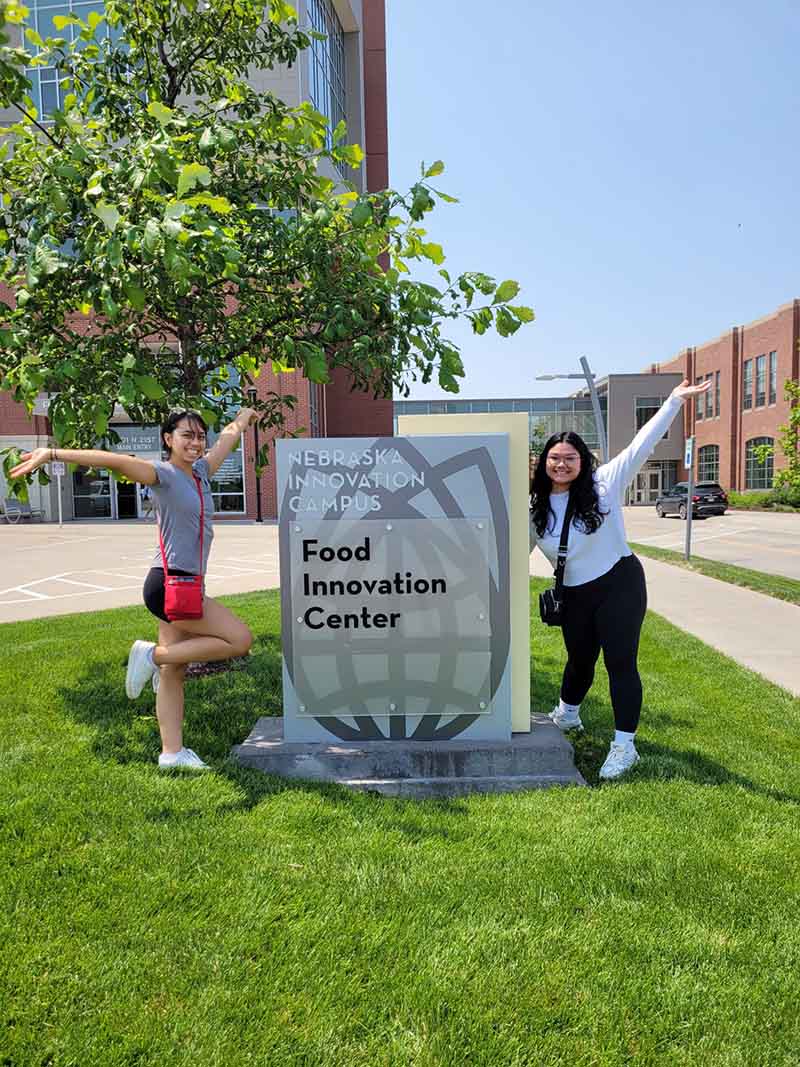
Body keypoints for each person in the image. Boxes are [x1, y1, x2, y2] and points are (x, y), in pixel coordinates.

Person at [10, 406, 257, 770]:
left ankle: (171, 753)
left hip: (183, 584)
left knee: (175, 670)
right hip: (170, 583)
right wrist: (53, 453)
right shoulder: (163, 474)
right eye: (186, 435)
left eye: (199, 435)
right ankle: (149, 656)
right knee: (239, 640)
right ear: (168, 440)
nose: (196, 441)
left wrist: (244, 417)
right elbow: (115, 461)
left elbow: (227, 439)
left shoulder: (201, 472)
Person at [529, 378, 711, 780]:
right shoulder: (535, 507)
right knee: (579, 661)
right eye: (555, 458)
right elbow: (509, 555)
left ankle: (624, 746)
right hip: (574, 594)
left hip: (619, 585)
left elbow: (640, 446)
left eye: (570, 458)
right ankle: (568, 715)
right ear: (544, 462)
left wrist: (673, 402)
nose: (562, 464)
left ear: (583, 461)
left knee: (620, 663)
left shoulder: (605, 484)